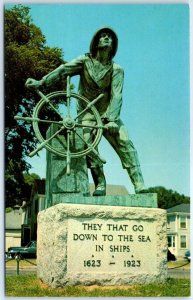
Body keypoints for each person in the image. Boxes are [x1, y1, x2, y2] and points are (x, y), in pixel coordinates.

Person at [26, 27, 146, 195]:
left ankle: (139, 184)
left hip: (108, 114)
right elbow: (62, 70)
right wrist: (41, 82)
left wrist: (112, 119)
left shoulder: (117, 69)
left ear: (114, 45)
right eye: (103, 36)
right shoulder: (84, 61)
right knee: (88, 145)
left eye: (110, 37)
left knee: (125, 143)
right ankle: (100, 184)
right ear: (95, 42)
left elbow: (117, 95)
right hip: (88, 114)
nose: (106, 38)